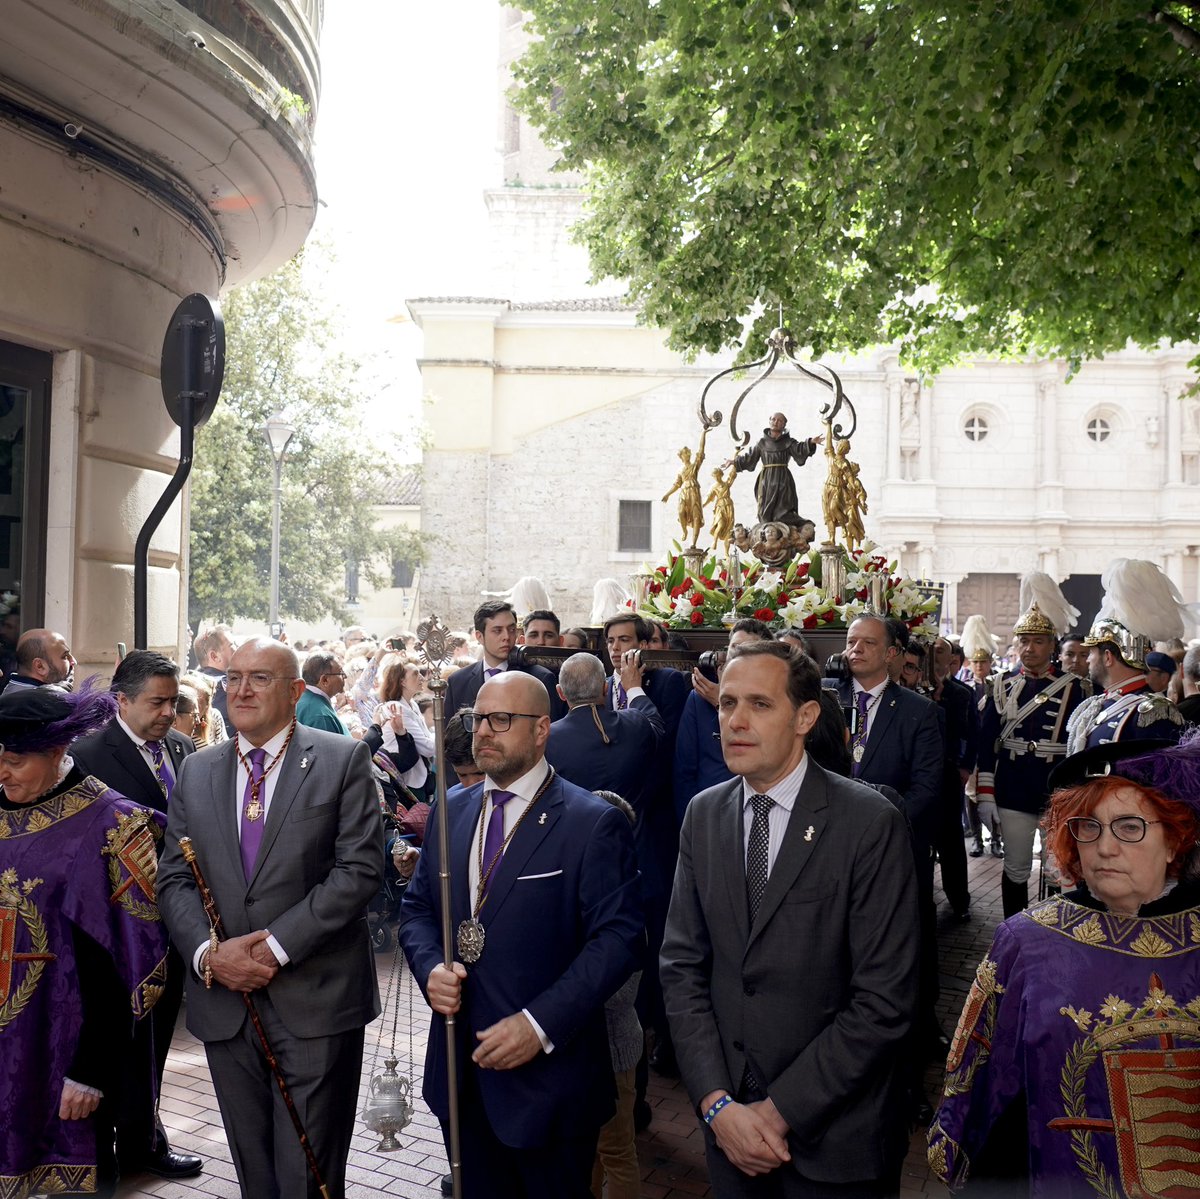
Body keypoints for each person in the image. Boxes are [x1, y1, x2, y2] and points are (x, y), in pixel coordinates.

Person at [661, 641, 920, 1197]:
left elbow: (884, 999)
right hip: (729, 1134)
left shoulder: (869, 823)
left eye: (759, 704)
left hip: (836, 1144)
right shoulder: (703, 814)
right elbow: (681, 967)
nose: (736, 721)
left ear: (805, 716)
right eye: (727, 704)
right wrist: (715, 1103)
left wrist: (775, 1113)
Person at [398, 671, 642, 1199]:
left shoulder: (590, 821)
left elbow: (619, 939)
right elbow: (417, 909)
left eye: (501, 720)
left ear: (541, 730)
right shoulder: (452, 810)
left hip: (549, 1086)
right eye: (478, 718)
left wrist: (540, 1024)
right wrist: (430, 968)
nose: (484, 731)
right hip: (461, 1077)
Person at [156, 638, 383, 1199]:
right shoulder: (197, 770)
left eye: (259, 678)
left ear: (296, 691)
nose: (241, 689)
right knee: (253, 1170)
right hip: (225, 1003)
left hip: (316, 999)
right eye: (233, 677)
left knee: (307, 1173)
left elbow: (358, 871)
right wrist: (211, 955)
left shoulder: (340, 759)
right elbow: (174, 879)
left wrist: (273, 949)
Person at [929, 735, 1200, 1197]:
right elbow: (984, 1085)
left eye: (1129, 827)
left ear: (1174, 840)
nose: (1105, 848)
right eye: (1088, 827)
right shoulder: (1027, 940)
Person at [0, 683, 168, 1199]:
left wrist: (91, 1072)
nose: (1, 773)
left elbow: (128, 963)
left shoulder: (114, 824)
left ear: (57, 752)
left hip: (66, 1066)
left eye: (13, 760)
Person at [70, 651, 201, 1180]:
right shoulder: (87, 755)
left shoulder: (183, 748)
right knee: (113, 1036)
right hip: (114, 926)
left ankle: (144, 1140)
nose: (169, 712)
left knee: (159, 1035)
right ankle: (100, 1152)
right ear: (120, 701)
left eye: (173, 701)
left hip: (173, 922)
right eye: (157, 702)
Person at [975, 601, 1088, 917]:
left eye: (1038, 641)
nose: (1030, 648)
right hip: (1013, 788)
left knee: (1060, 869)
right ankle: (1015, 929)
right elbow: (986, 747)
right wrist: (985, 796)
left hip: (1057, 791)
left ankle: (1056, 931)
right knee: (1016, 867)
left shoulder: (1076, 688)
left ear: (1052, 645)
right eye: (1024, 640)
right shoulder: (1000, 686)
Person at [1067, 617, 1184, 751]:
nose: (1087, 660)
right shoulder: (1100, 703)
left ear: (1107, 657)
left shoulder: (1153, 710)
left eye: (1091, 653)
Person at [445, 600, 566, 721]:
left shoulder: (540, 677)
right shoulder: (458, 681)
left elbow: (551, 730)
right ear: (479, 636)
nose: (506, 637)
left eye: (511, 630)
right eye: (497, 631)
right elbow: (451, 735)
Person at [722, 412, 823, 529]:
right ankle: (766, 530)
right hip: (767, 480)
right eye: (773, 419)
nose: (776, 422)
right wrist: (734, 461)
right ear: (769, 421)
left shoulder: (789, 442)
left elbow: (799, 449)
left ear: (784, 425)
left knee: (784, 508)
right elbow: (750, 458)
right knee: (765, 508)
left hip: (783, 479)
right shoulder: (761, 443)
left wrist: (810, 442)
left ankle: (787, 527)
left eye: (780, 421)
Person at [5, 627, 76, 690]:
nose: (73, 661)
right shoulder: (34, 702)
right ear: (40, 666)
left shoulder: (16, 694)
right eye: (65, 656)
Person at [294, 651, 347, 734]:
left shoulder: (303, 698)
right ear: (325, 680)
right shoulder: (320, 715)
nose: (345, 676)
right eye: (340, 672)